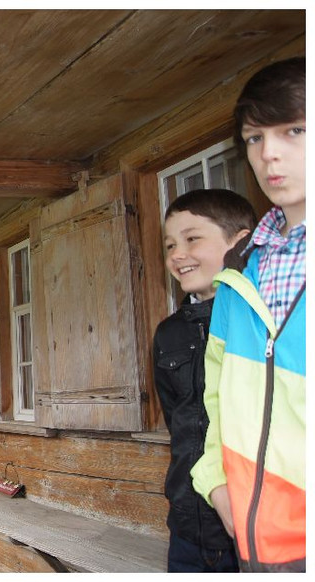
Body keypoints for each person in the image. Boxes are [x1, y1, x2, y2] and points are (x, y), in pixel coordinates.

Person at [190, 57, 305, 573]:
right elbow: (217, 396)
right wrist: (216, 481)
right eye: (255, 138)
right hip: (259, 540)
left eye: (295, 130)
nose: (268, 154)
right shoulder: (239, 272)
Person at [154, 188, 255, 572]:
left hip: (253, 527)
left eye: (192, 238)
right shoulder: (168, 333)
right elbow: (178, 424)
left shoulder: (261, 320)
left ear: (240, 243)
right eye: (170, 245)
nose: (177, 255)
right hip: (187, 530)